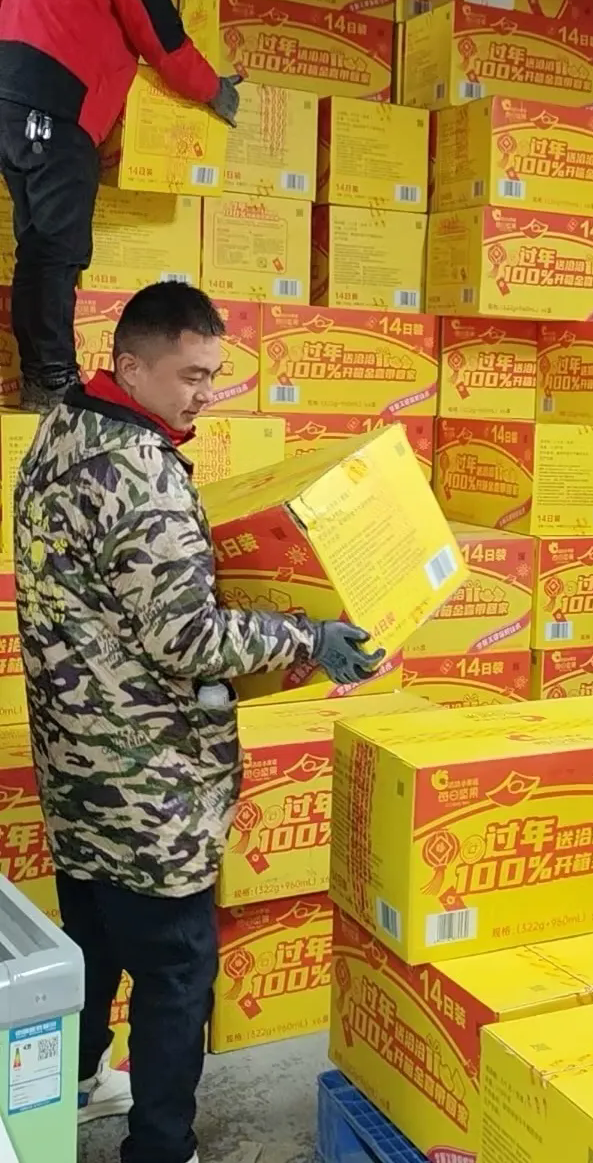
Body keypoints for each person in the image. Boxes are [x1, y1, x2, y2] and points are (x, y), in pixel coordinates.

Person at [14, 282, 384, 1163]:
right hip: (148, 783)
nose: (205, 395)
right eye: (190, 376)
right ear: (131, 366)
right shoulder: (142, 475)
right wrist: (308, 638)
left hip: (74, 763)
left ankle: (73, 1085)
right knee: (176, 973)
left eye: (214, 374)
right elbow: (187, 638)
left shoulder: (63, 431)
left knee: (92, 937)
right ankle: (160, 1145)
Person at [0, 0, 240, 409]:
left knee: (38, 244)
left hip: (15, 101)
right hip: (57, 102)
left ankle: (42, 377)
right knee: (57, 247)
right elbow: (158, 32)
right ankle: (53, 381)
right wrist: (214, 90)